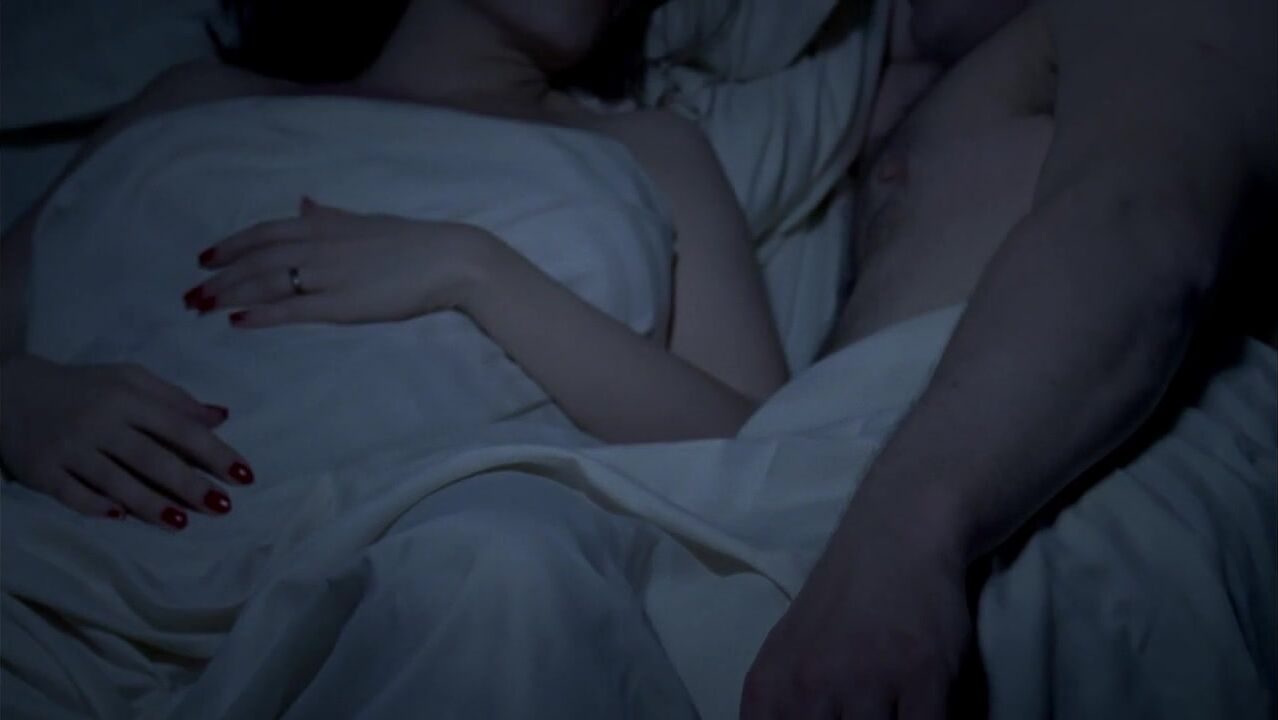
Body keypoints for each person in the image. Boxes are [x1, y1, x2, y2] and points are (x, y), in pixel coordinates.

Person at [0, 0, 788, 530]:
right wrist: (15, 397)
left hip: (448, 564)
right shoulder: (196, 101)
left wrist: (470, 267)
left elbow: (769, 457)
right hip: (88, 546)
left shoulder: (650, 148)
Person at [743, 0, 1276, 716]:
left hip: (1006, 475)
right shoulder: (906, 80)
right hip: (868, 493)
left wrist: (903, 539)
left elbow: (1137, 217)